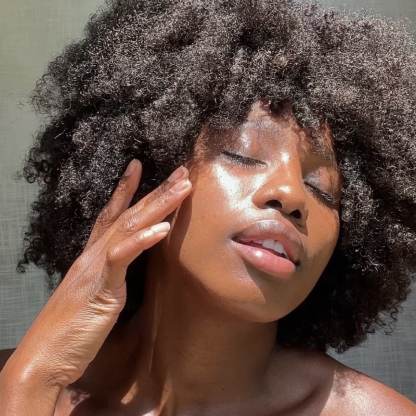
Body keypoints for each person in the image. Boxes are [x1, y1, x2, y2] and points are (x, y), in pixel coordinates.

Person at [1, 0, 416, 414]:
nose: (291, 194)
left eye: (321, 189)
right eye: (243, 154)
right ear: (151, 167)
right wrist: (32, 380)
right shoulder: (17, 381)